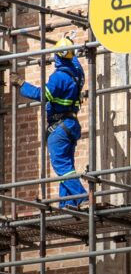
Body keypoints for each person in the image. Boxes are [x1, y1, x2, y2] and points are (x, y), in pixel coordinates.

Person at [10, 32, 88, 209]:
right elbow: (73, 59)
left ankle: (82, 197)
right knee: (67, 167)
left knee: (61, 167)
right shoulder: (77, 73)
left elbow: (41, 95)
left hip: (59, 127)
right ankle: (67, 204)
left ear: (57, 56)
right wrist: (70, 43)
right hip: (71, 125)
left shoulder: (59, 77)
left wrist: (21, 83)